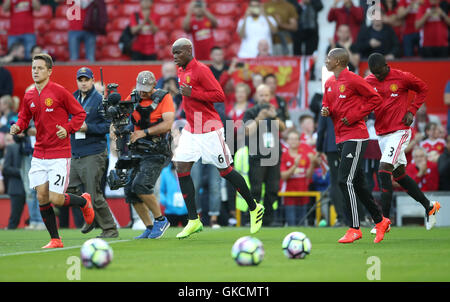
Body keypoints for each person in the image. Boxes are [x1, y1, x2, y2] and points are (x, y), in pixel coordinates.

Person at [171, 38, 264, 238]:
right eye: (173, 54)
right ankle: (193, 219)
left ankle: (254, 206)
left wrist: (193, 92)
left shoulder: (202, 70)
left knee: (225, 171)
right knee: (181, 167)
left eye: (178, 53)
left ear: (188, 50)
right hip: (191, 128)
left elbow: (219, 95)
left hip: (210, 129)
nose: (175, 58)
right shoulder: (180, 71)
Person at [10, 53, 93, 248]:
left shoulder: (59, 92)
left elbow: (80, 113)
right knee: (41, 196)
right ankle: (55, 239)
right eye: (33, 68)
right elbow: (23, 117)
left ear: (49, 71)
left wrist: (68, 129)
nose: (35, 71)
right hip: (39, 153)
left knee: (55, 198)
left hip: (59, 153)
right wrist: (18, 127)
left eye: (39, 68)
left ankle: (83, 202)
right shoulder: (29, 95)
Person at [321, 48, 390, 244]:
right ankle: (381, 220)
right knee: (358, 184)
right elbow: (329, 106)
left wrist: (355, 115)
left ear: (338, 61)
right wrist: (326, 111)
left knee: (344, 181)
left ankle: (354, 228)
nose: (326, 61)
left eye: (329, 58)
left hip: (357, 136)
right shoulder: (328, 83)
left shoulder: (353, 79)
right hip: (340, 138)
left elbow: (375, 98)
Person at [366, 52, 440, 231]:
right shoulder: (369, 81)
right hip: (382, 134)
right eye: (374, 72)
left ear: (386, 65)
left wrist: (412, 110)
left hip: (400, 131)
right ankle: (430, 206)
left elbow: (423, 88)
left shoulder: (402, 77)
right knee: (399, 175)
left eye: (380, 71)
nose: (378, 75)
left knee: (383, 171)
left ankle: (383, 220)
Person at [119, 70, 174, 239]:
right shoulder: (132, 97)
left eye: (146, 88)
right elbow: (123, 117)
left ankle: (160, 220)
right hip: (137, 150)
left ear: (154, 86)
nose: (143, 91)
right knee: (129, 190)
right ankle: (149, 227)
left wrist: (144, 132)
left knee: (141, 185)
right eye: (140, 87)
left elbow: (168, 124)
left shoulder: (164, 98)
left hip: (157, 150)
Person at [67, 67, 118, 238]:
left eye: (86, 80)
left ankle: (110, 228)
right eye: (80, 80)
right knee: (68, 189)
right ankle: (90, 216)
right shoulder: (72, 98)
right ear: (77, 81)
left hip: (93, 152)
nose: (83, 83)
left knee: (94, 194)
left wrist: (88, 128)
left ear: (92, 80)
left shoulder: (99, 100)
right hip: (75, 153)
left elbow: (107, 126)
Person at [243, 84, 286, 226]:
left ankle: (268, 220)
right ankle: (253, 219)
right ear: (256, 96)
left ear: (270, 96)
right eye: (261, 95)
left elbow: (283, 128)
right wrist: (259, 118)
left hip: (274, 154)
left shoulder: (275, 111)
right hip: (257, 155)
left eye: (267, 95)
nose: (264, 98)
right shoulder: (250, 112)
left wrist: (274, 117)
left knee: (273, 189)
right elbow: (247, 131)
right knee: (255, 189)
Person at [280, 130, 319, 226]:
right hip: (289, 194)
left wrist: (312, 164)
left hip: (303, 193)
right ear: (287, 141)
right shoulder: (284, 155)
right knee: (291, 224)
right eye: (291, 139)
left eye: (295, 139)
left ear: (299, 141)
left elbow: (308, 176)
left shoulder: (304, 155)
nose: (293, 141)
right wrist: (295, 166)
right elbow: (283, 176)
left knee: (302, 224)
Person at [3, 134, 26, 229]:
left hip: (33, 187)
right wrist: (21, 172)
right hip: (17, 186)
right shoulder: (11, 147)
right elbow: (6, 168)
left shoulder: (35, 146)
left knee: (37, 214)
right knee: (14, 218)